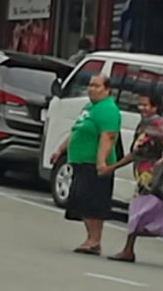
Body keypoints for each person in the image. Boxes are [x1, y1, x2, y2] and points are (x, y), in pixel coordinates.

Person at [106, 93, 163, 268]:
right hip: (144, 175)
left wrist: (162, 161)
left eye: (146, 105)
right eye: (140, 104)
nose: (142, 108)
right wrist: (113, 167)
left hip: (152, 179)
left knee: (137, 211)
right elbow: (135, 153)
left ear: (155, 107)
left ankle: (128, 249)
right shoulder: (145, 124)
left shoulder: (159, 124)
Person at [50, 74, 121, 255]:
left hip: (94, 164)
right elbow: (77, 131)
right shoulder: (90, 107)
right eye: (90, 85)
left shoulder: (108, 109)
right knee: (82, 201)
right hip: (81, 162)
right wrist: (60, 149)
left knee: (94, 203)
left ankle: (94, 240)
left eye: (97, 86)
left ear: (107, 90)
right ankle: (91, 238)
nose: (91, 89)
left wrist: (101, 161)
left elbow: (108, 136)